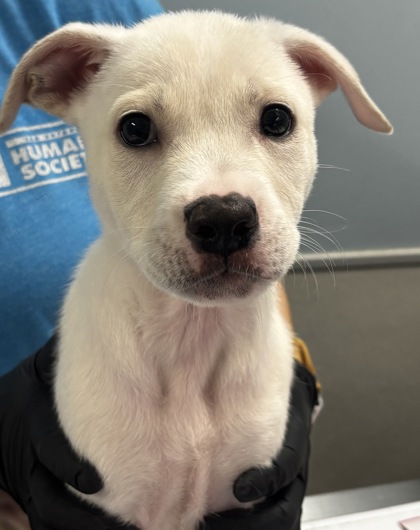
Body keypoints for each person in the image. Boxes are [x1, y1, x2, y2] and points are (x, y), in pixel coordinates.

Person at [0, 1, 320, 528]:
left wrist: (296, 363)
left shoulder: (127, 13)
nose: (223, 208)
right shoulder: (92, 59)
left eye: (275, 121)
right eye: (138, 130)